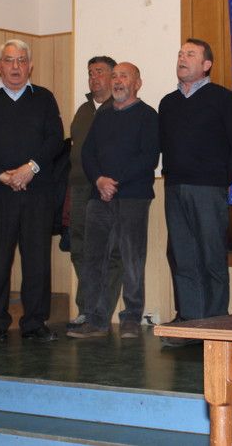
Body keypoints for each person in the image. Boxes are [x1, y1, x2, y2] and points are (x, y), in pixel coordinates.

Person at [0, 40, 64, 344]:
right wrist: (2, 174)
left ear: (30, 66)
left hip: (37, 192)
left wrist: (29, 168)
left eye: (21, 60)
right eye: (9, 60)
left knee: (37, 260)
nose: (16, 66)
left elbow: (55, 139)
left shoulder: (44, 98)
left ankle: (34, 323)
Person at [158, 39, 232, 344]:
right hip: (174, 188)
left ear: (207, 64)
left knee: (211, 257)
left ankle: (216, 324)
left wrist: (219, 178)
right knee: (183, 257)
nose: (182, 58)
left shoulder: (223, 99)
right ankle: (191, 322)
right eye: (180, 54)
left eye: (190, 54)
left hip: (209, 189)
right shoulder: (168, 102)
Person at [69, 63, 159, 339]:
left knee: (132, 260)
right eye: (115, 76)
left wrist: (113, 182)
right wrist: (99, 180)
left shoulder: (148, 115)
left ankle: (131, 318)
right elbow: (87, 153)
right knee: (94, 260)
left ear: (137, 83)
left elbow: (148, 158)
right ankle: (95, 320)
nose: (118, 81)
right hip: (98, 198)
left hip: (133, 198)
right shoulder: (103, 115)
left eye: (124, 76)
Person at [67, 56, 121, 330]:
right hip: (79, 188)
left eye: (100, 71)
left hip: (106, 191)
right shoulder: (83, 110)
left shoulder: (120, 107)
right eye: (90, 73)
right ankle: (86, 308)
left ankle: (101, 312)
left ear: (113, 76)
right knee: (79, 250)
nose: (93, 77)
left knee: (109, 254)